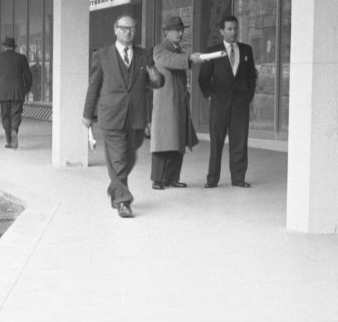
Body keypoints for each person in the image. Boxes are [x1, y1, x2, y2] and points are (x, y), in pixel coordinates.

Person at [82, 15, 162, 218]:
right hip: (111, 115)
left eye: (132, 29)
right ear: (115, 30)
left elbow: (156, 83)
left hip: (135, 116)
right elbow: (94, 86)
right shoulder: (102, 55)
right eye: (124, 28)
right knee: (118, 158)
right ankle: (123, 201)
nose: (129, 32)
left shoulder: (144, 55)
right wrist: (87, 114)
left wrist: (155, 76)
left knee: (130, 156)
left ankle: (114, 188)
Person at [148, 15, 212, 190]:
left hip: (178, 102)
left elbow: (177, 61)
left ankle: (171, 178)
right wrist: (190, 58)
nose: (181, 33)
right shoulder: (160, 49)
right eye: (177, 30)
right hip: (165, 105)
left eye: (181, 30)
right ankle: (157, 179)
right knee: (163, 142)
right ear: (167, 32)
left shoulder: (178, 51)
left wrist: (188, 58)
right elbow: (169, 61)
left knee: (178, 141)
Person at [197, 13, 258, 188]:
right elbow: (203, 78)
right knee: (216, 142)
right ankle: (212, 179)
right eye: (229, 29)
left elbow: (252, 76)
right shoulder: (212, 51)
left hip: (240, 104)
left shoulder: (246, 50)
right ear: (222, 31)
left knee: (239, 141)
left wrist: (248, 96)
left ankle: (238, 178)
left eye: (235, 28)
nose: (233, 32)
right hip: (219, 104)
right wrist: (210, 95)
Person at [0, 36, 33, 148]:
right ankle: (14, 130)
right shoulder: (21, 58)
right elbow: (28, 75)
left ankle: (9, 141)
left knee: (5, 116)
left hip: (4, 91)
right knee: (16, 114)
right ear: (14, 47)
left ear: (4, 46)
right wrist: (27, 89)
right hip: (17, 91)